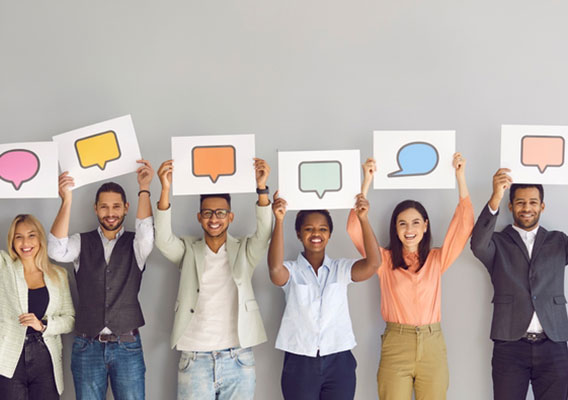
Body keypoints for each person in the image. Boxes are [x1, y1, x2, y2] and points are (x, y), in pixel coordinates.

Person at [346, 154, 473, 400]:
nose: (409, 229)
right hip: (397, 342)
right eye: (402, 224)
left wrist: (460, 176)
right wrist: (365, 183)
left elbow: (463, 226)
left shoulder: (437, 260)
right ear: (395, 229)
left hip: (433, 342)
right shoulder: (383, 260)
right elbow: (354, 229)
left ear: (425, 226)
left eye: (415, 222)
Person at [154, 158, 271, 400]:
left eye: (220, 213)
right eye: (207, 213)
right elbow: (163, 239)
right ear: (199, 217)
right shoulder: (188, 250)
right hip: (195, 357)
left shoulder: (244, 251)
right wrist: (165, 189)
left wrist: (262, 189)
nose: (214, 218)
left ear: (231, 217)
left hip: (237, 356)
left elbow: (264, 233)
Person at [48, 160, 155, 400]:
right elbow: (55, 250)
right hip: (87, 346)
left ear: (126, 207)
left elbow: (147, 233)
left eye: (116, 206)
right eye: (104, 207)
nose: (110, 213)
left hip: (127, 345)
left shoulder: (137, 244)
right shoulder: (80, 242)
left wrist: (144, 187)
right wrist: (66, 200)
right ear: (96, 209)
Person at [0, 177, 75, 399]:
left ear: (40, 239)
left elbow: (70, 319)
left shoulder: (59, 275)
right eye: (19, 237)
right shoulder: (4, 268)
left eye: (31, 236)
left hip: (45, 356)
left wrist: (42, 325)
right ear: (12, 242)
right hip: (10, 355)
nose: (26, 243)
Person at [268, 191, 381, 400]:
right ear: (299, 234)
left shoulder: (340, 269)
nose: (316, 233)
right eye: (308, 229)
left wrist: (363, 219)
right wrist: (279, 220)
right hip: (300, 361)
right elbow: (275, 271)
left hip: (339, 360)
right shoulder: (291, 271)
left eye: (322, 229)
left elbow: (373, 264)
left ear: (329, 234)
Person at [470, 169, 568, 399]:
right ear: (511, 206)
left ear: (542, 206)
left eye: (533, 202)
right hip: (510, 345)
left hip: (553, 343)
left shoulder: (559, 241)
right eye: (520, 202)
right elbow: (477, 245)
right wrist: (496, 196)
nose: (527, 208)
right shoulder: (497, 242)